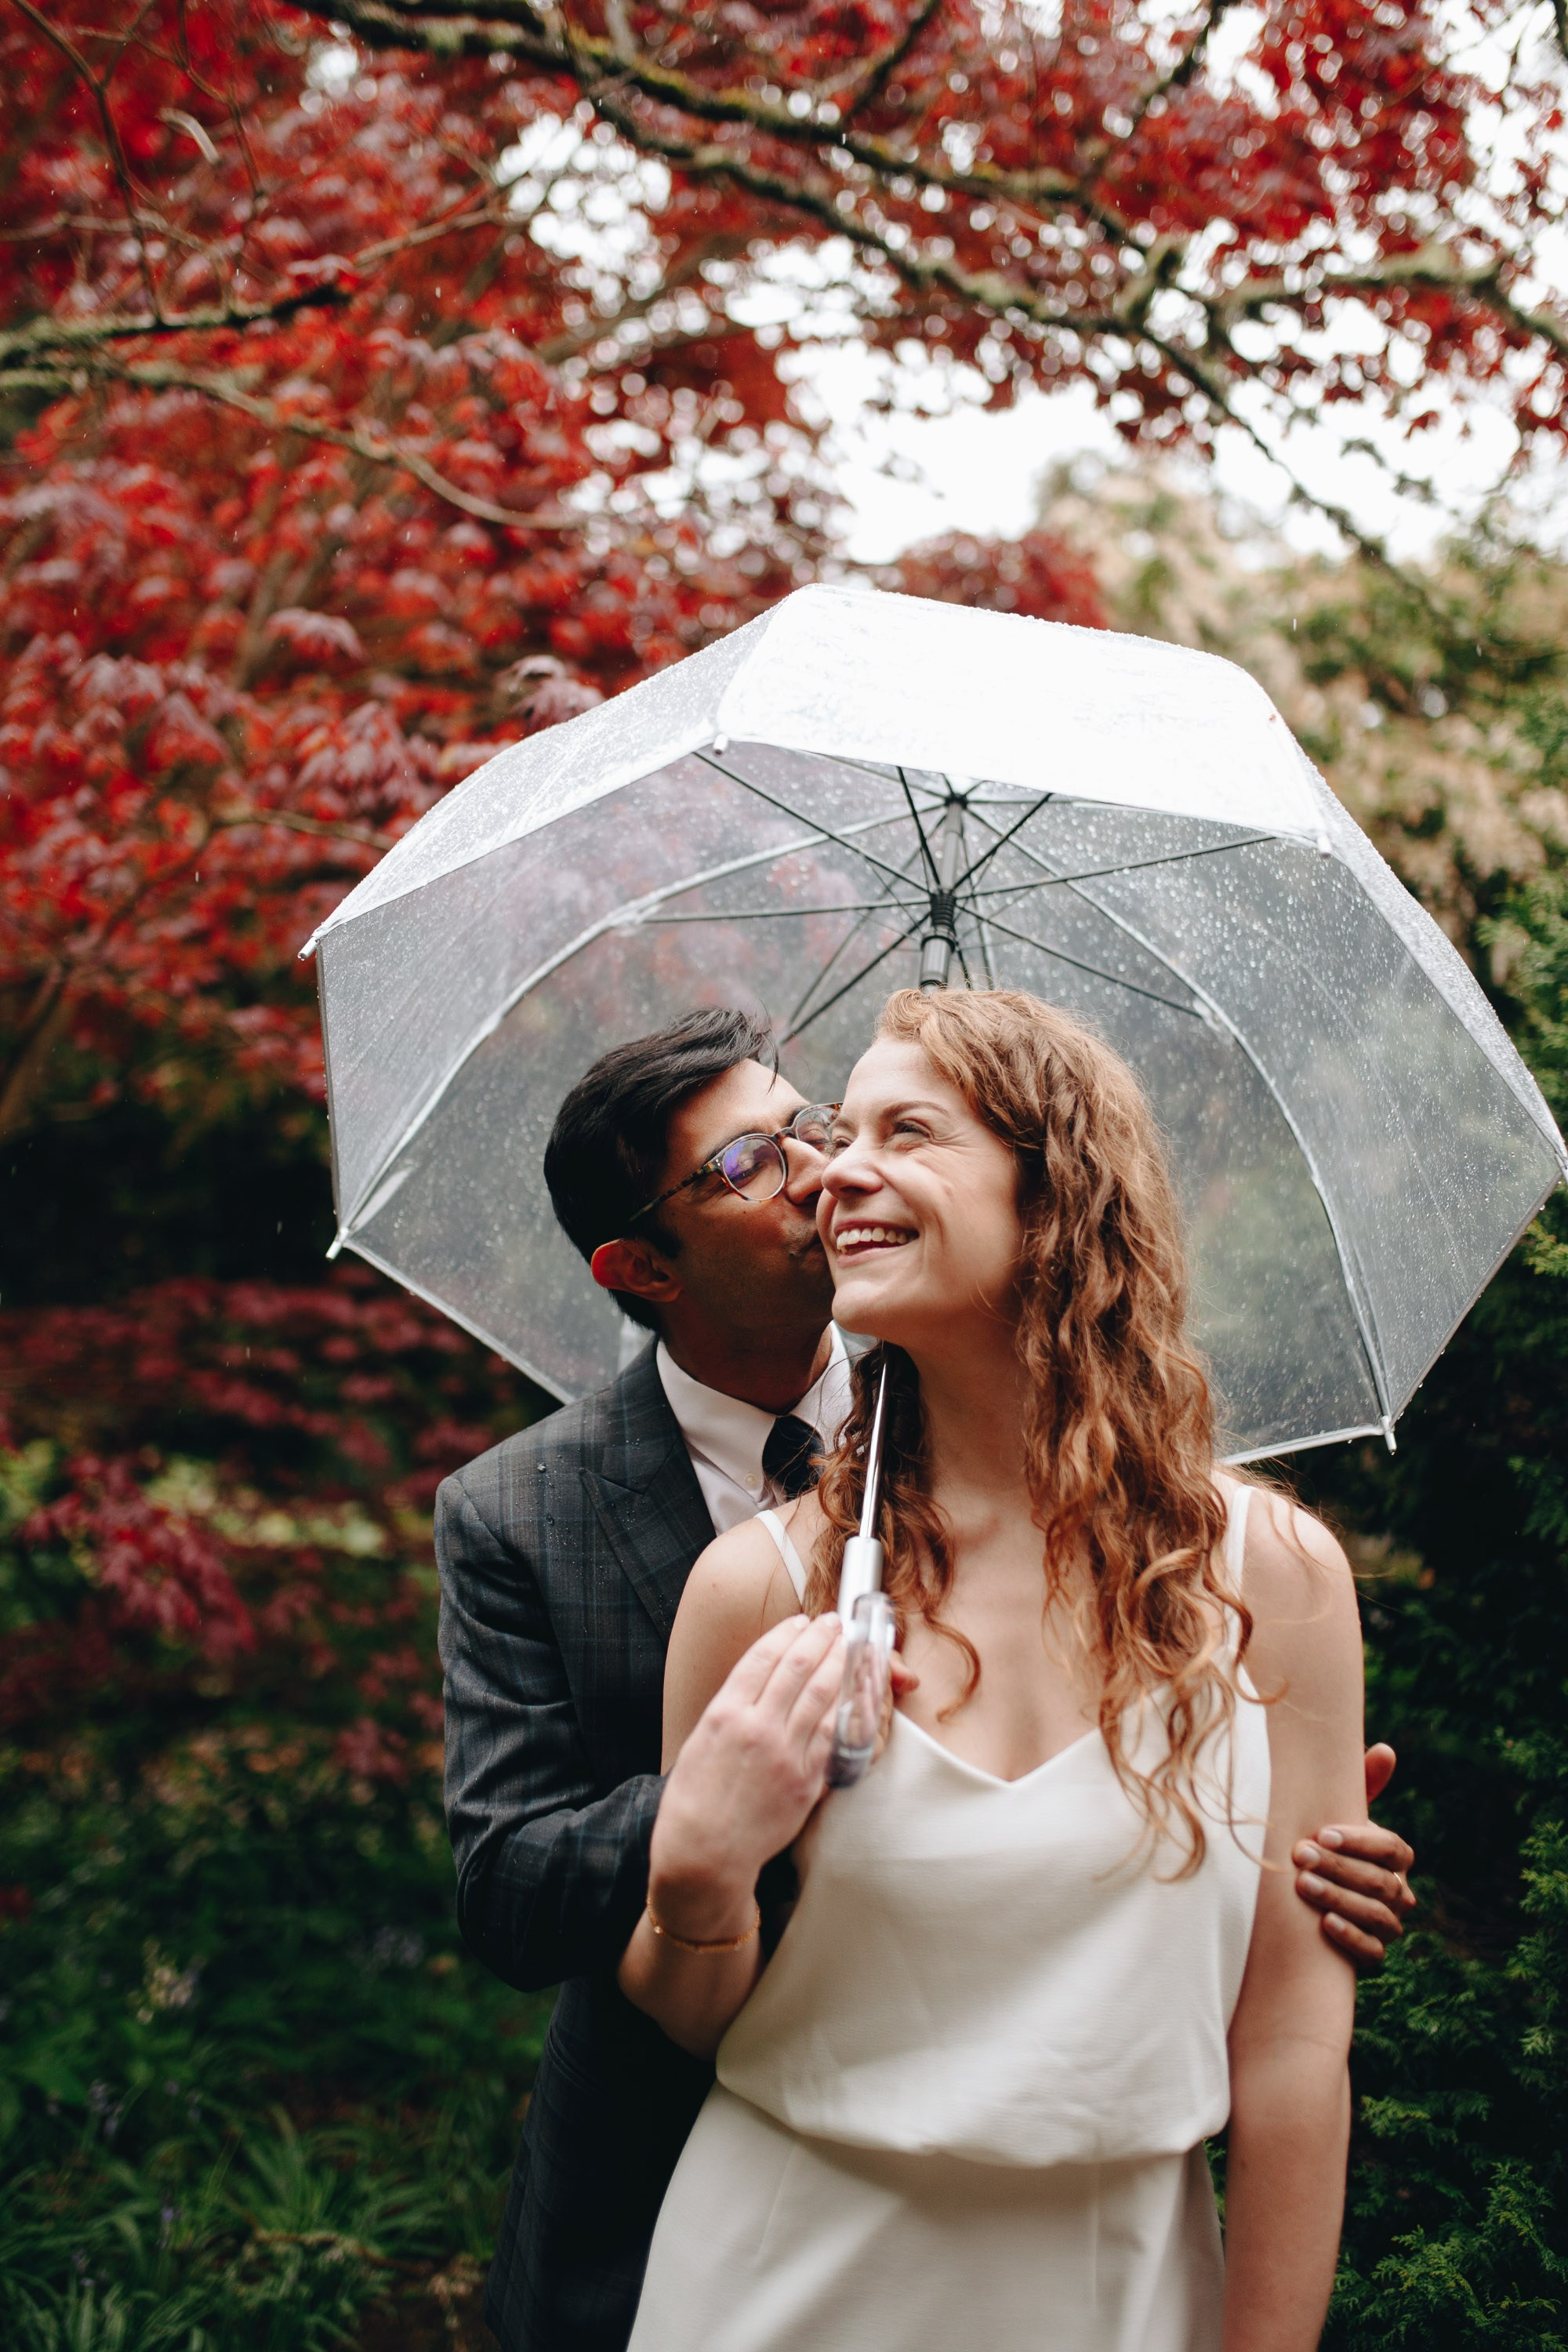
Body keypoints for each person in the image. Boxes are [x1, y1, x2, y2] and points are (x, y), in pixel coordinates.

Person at [435, 1006, 1416, 2352]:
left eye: (846, 1129)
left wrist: (1285, 1845)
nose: (825, 1170)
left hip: (1118, 2283)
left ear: (1060, 1190)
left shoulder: (1270, 1575)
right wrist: (697, 1845)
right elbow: (532, 1898)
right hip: (754, 2248)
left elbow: (1294, 2042)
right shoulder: (676, 1558)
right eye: (749, 1167)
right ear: (640, 1268)